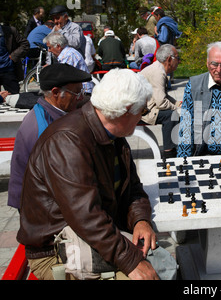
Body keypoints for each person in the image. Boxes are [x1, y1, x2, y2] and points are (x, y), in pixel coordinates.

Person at [17, 69, 160, 280]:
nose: (142, 117)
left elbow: (133, 187)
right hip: (56, 250)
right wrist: (131, 261)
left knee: (162, 263)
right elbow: (87, 216)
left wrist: (140, 219)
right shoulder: (68, 141)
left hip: (93, 237)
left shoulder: (111, 132)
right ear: (127, 110)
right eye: (143, 110)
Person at [7, 64, 92, 210]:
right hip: (39, 206)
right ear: (56, 92)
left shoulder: (52, 112)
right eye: (77, 93)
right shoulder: (43, 128)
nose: (80, 98)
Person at [140, 44, 181, 158]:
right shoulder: (158, 73)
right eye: (177, 58)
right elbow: (161, 103)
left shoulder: (158, 69)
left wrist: (177, 103)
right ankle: (169, 152)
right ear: (169, 59)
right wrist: (178, 109)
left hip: (144, 106)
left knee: (174, 112)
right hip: (142, 111)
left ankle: (174, 147)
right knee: (172, 115)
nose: (179, 61)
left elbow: (163, 96)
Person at [0, 24, 30, 94]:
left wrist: (14, 56)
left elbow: (25, 44)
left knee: (14, 97)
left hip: (7, 69)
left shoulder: (9, 31)